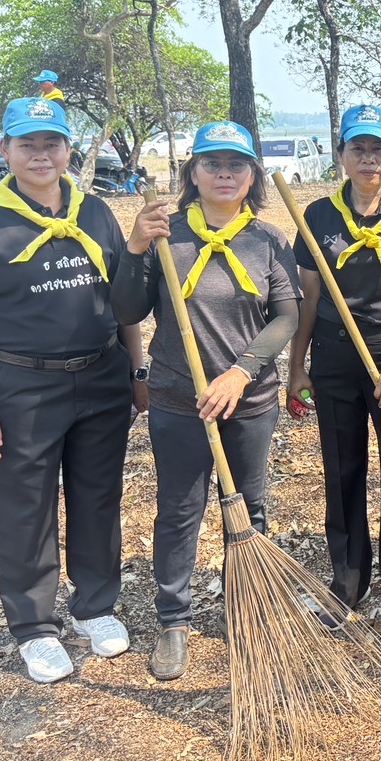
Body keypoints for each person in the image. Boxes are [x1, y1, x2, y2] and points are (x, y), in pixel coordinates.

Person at [0, 97, 145, 684]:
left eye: (51, 143)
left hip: (102, 377)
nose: (40, 155)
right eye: (26, 144)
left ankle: (95, 605)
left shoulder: (96, 213)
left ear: (67, 150)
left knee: (98, 495)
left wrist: (136, 372)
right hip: (22, 385)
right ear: (5, 150)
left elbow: (123, 303)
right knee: (26, 505)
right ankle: (34, 627)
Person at [111, 121, 300, 680]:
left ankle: (248, 605)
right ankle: (174, 620)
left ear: (252, 176)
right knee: (178, 510)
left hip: (250, 399)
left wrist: (241, 373)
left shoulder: (268, 240)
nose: (224, 173)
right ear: (192, 173)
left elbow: (286, 317)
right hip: (179, 398)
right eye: (212, 163)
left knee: (247, 505)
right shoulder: (164, 234)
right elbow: (126, 311)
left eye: (236, 164)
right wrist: (134, 248)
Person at [287, 104, 381, 632]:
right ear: (342, 155)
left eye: (378, 148)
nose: (369, 158)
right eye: (358, 148)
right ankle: (347, 581)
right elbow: (308, 297)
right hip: (334, 355)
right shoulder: (318, 216)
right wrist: (298, 366)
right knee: (342, 466)